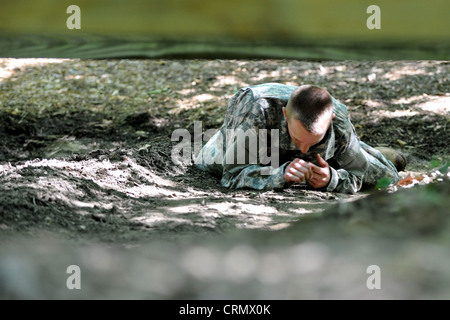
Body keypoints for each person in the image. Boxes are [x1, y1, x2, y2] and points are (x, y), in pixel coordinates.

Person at [194, 83, 406, 193]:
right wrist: (279, 174)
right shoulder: (258, 110)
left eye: (313, 140)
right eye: (298, 139)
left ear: (331, 120)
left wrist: (331, 179)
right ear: (285, 115)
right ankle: (355, 151)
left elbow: (359, 175)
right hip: (253, 147)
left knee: (387, 176)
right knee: (207, 164)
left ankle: (361, 150)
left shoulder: (338, 120)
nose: (304, 150)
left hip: (321, 156)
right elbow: (231, 175)